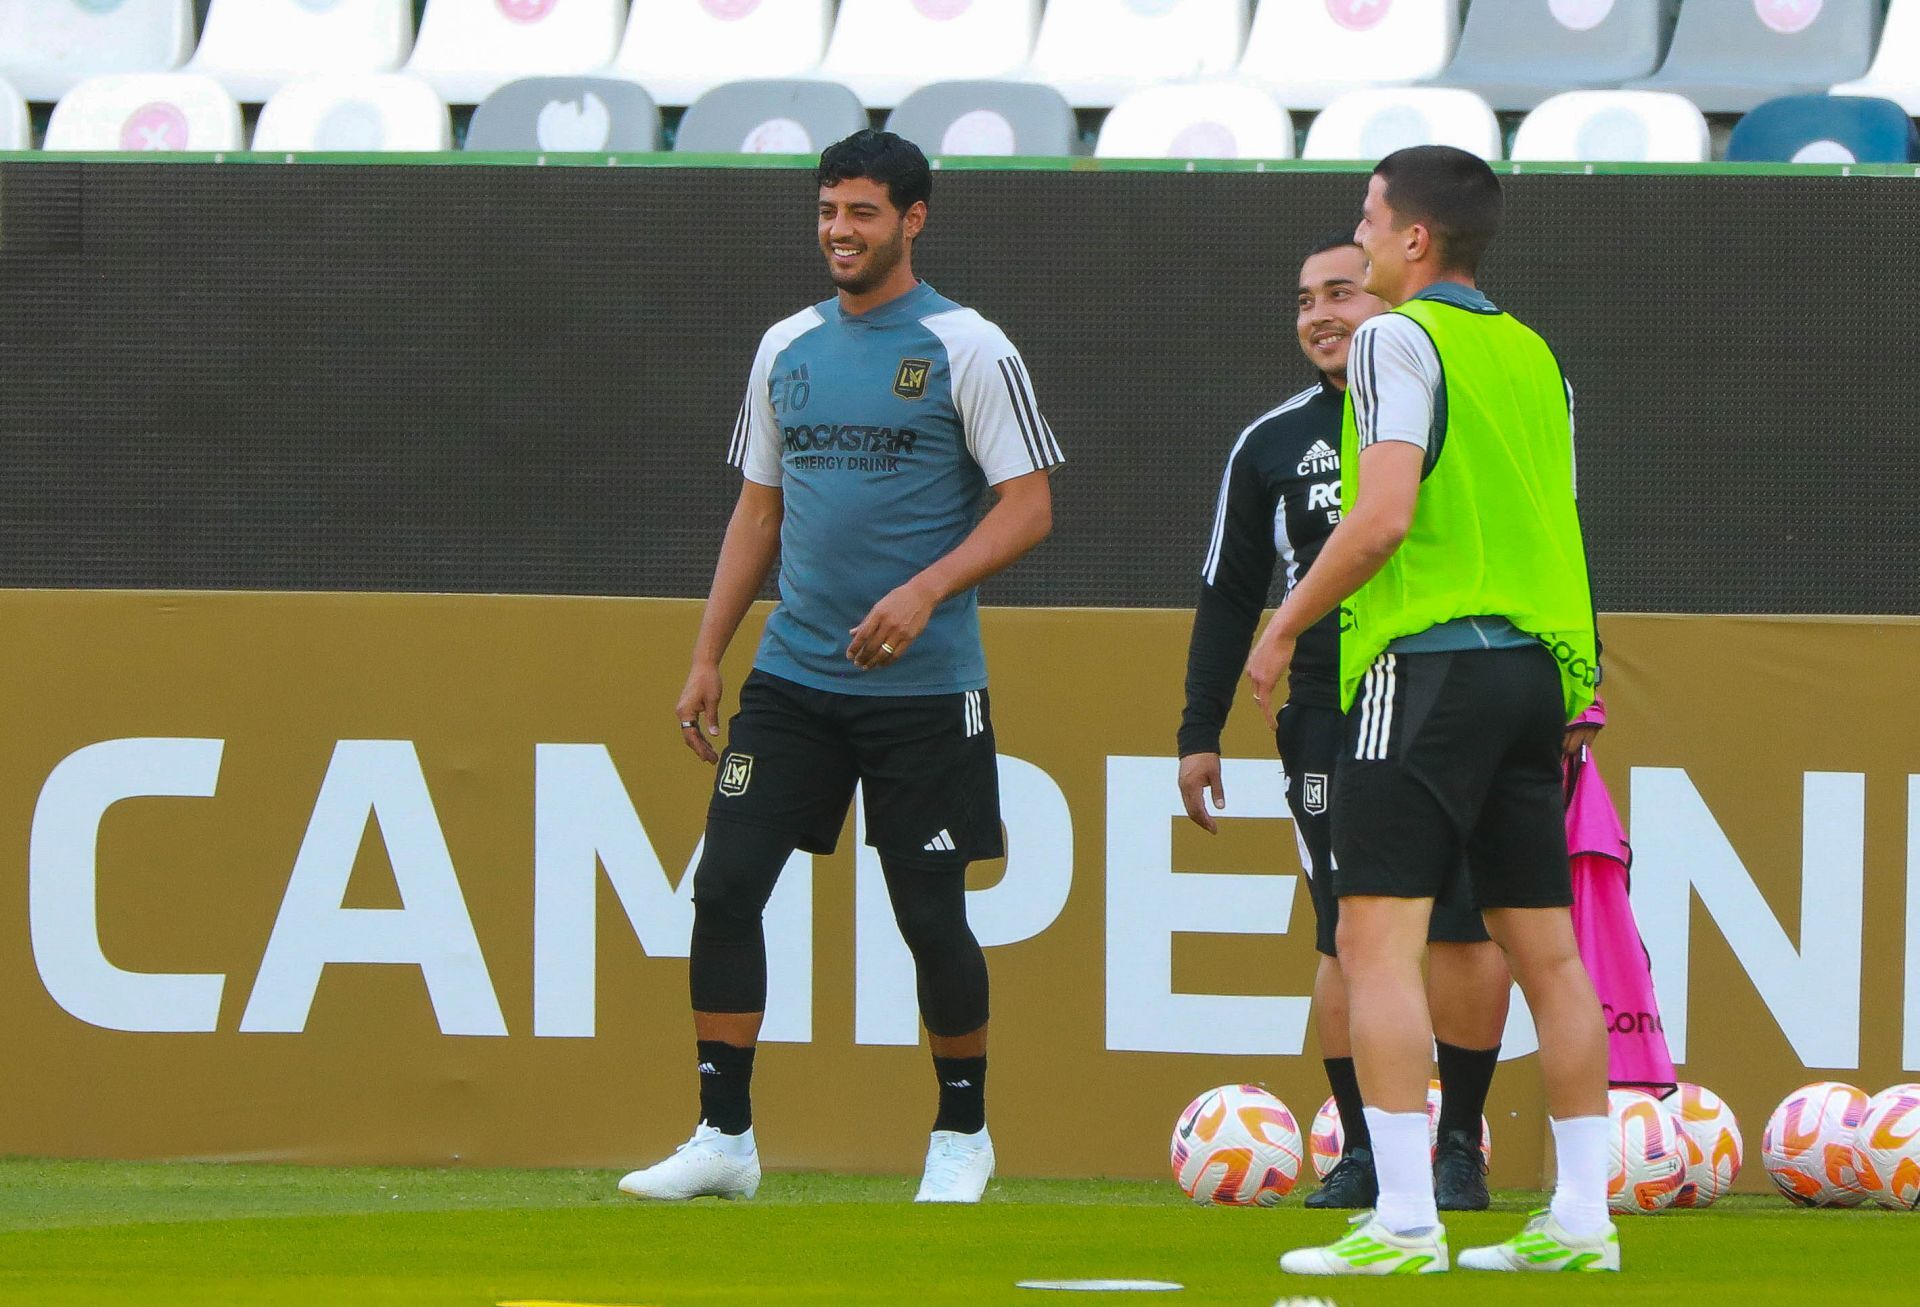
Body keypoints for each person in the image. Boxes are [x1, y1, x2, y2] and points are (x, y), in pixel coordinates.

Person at [617, 129, 1062, 1206]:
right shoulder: (786, 349)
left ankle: (963, 1133)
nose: (839, 233)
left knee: (929, 913)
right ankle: (724, 1133)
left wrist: (924, 590)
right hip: (795, 679)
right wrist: (706, 654)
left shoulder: (969, 346)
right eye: (827, 212)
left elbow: (1031, 506)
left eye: (862, 213)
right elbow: (757, 512)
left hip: (923, 686)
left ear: (913, 219)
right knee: (723, 887)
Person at [1248, 147, 1617, 1275]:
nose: (1357, 243)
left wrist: (1284, 622)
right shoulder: (1533, 351)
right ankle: (1582, 1223)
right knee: (1549, 953)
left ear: (1415, 240)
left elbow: (1381, 518)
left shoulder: (1396, 340)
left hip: (1428, 664)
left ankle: (1404, 1218)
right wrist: (1580, 681)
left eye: (1368, 223)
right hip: (1533, 672)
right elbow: (1554, 521)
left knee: (1374, 939)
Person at [1177, 234, 1515, 1214]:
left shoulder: (1455, 407)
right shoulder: (1272, 441)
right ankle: (1363, 1151)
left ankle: (1460, 1149)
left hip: (1458, 690)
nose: (1320, 312)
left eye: (1341, 290)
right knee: (1346, 937)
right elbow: (1228, 591)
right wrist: (1199, 728)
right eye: (1304, 297)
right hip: (1327, 710)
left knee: (1463, 922)